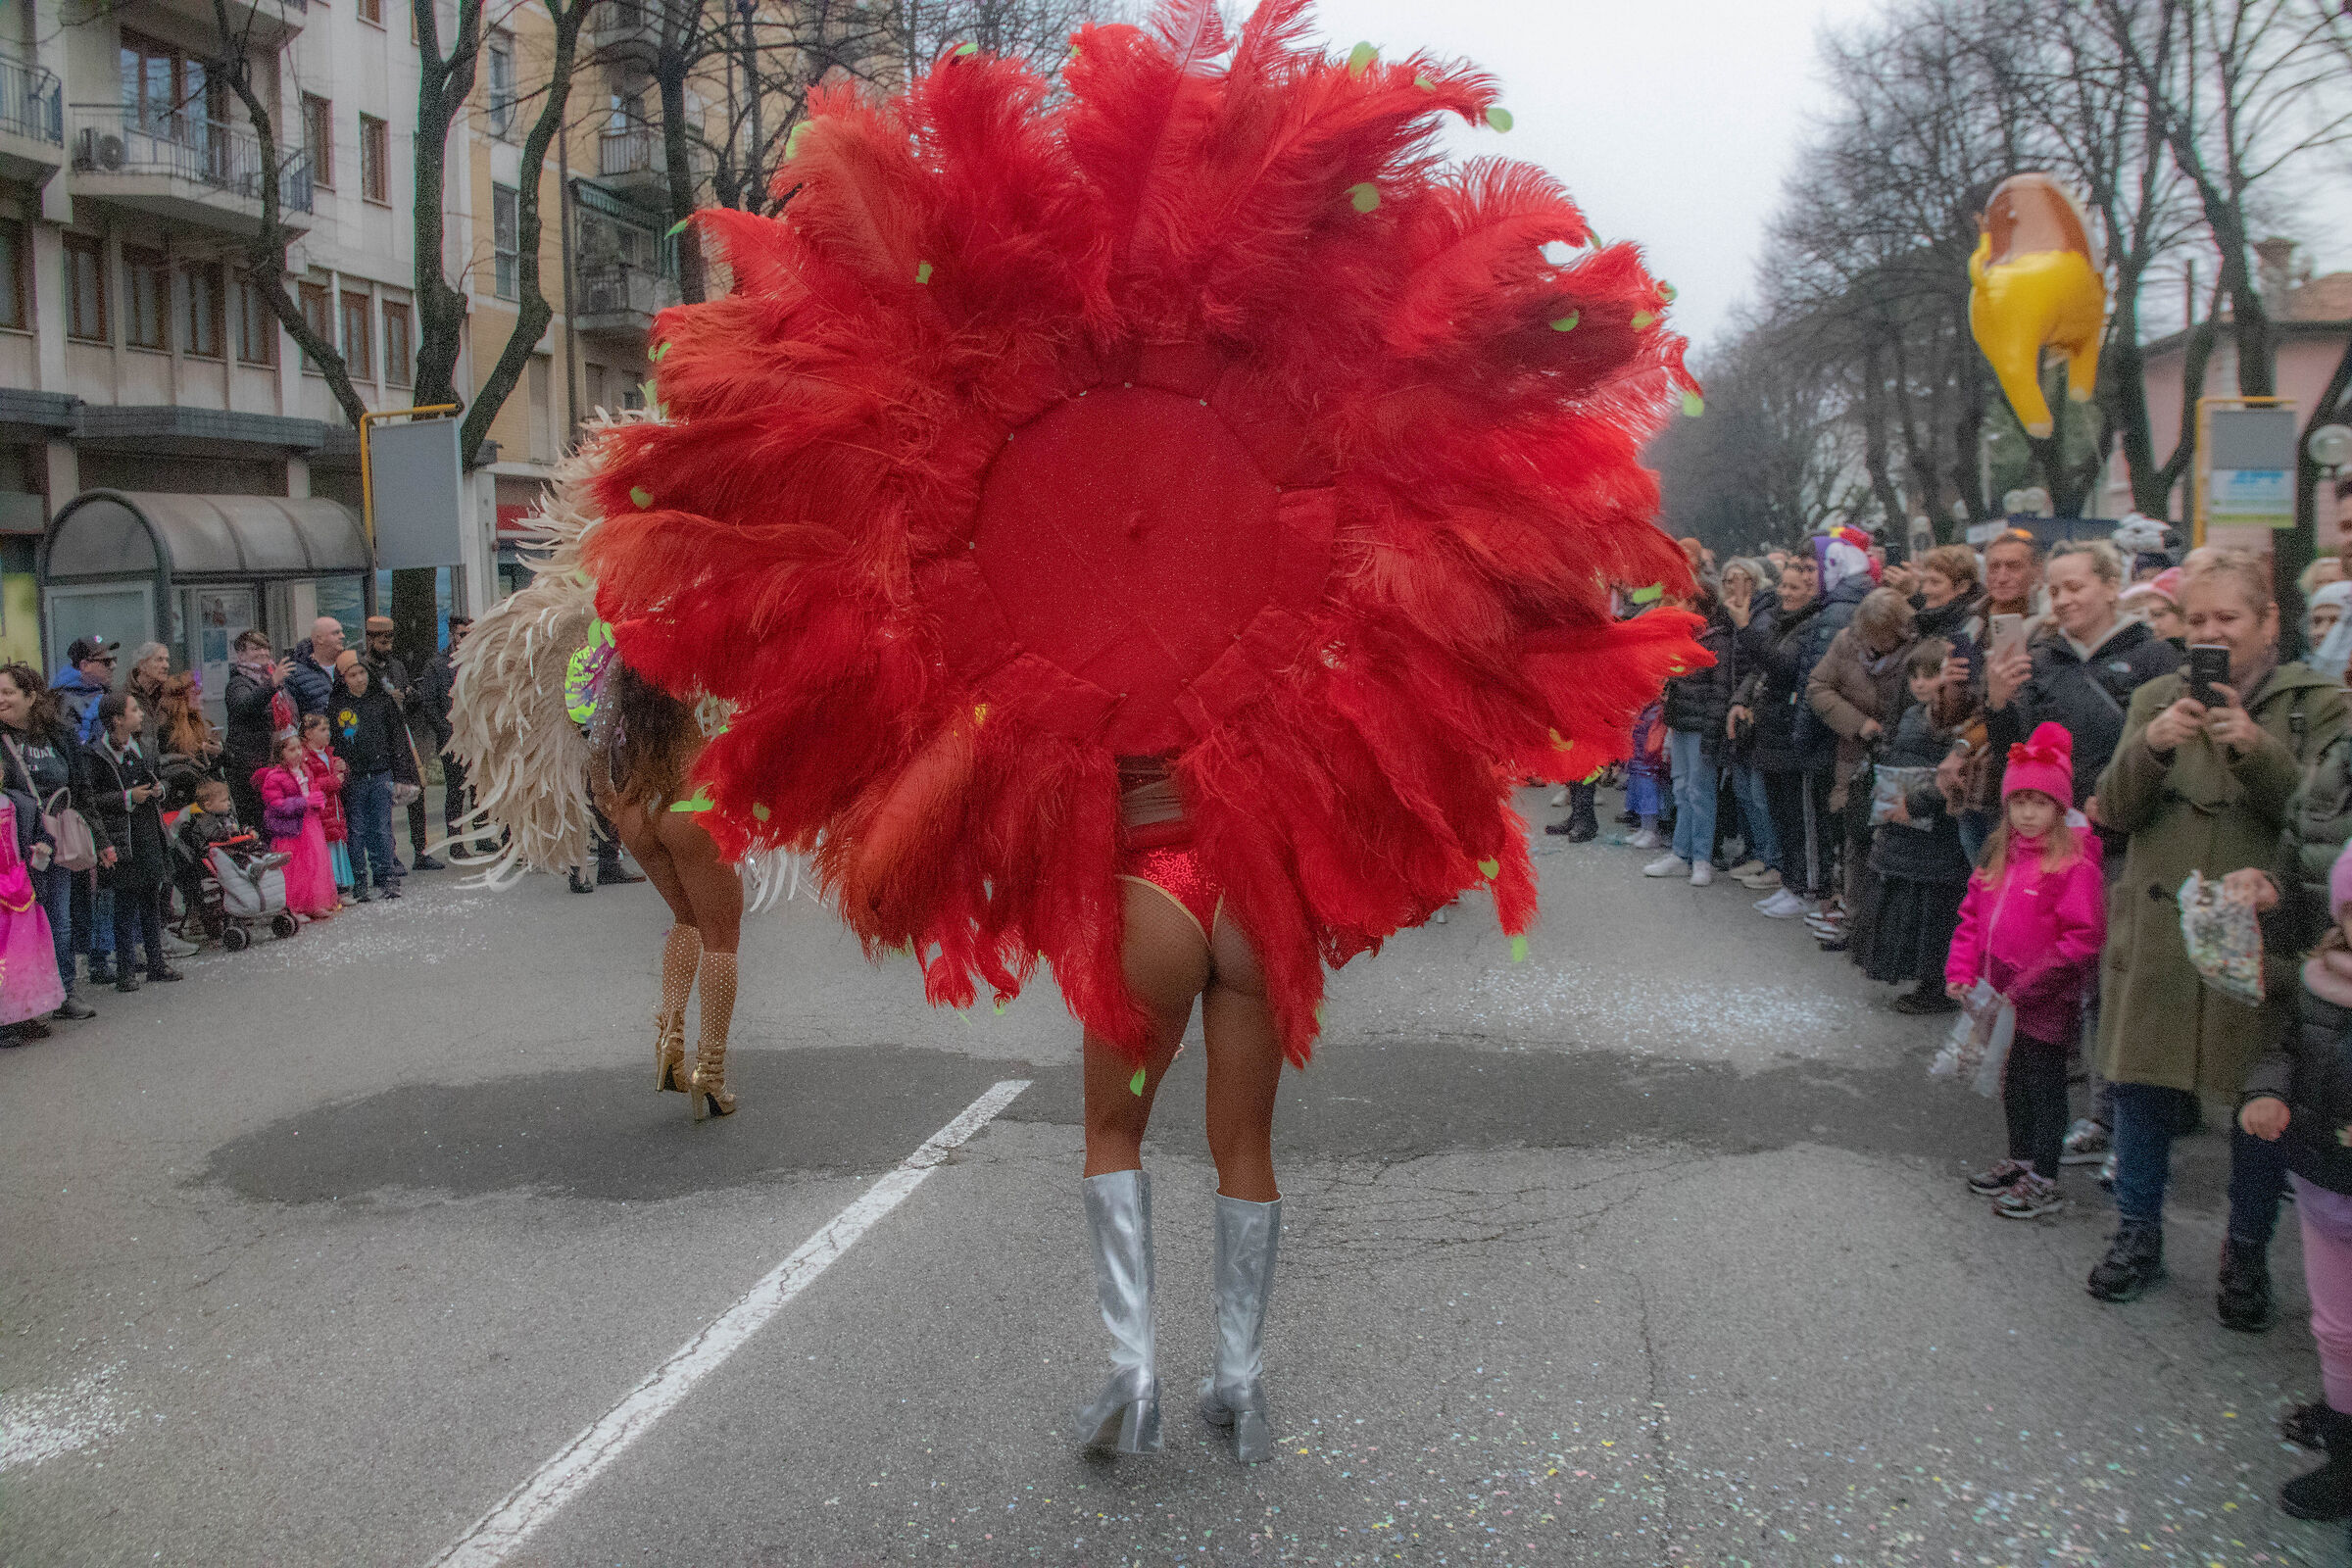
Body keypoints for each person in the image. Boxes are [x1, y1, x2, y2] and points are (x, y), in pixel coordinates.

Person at [557, 13, 1713, 1467]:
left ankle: (1131, 1372)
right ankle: (1237, 1371)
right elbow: (1408, 647)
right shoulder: (1288, 596)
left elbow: (972, 711)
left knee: (1113, 1136)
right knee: (1248, 1146)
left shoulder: (1028, 610)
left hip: (1150, 893)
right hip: (1258, 897)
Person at [2086, 551, 2349, 1316]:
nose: (2210, 634)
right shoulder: (2159, 696)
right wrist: (2155, 743)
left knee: (2255, 1096)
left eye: (2228, 619)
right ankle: (2136, 1232)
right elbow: (2115, 807)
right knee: (2139, 1084)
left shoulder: (2319, 703)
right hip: (2163, 924)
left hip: (2258, 927)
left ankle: (2245, 1252)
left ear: (2269, 623)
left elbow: (2326, 821)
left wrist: (2256, 749)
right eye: (2196, 620)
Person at [1946, 723, 2106, 1217]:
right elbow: (1973, 915)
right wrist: (1962, 969)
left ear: (2060, 807)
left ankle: (2045, 1175)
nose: (2028, 813)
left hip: (2043, 998)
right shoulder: (2002, 853)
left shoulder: (2074, 864)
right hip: (2000, 993)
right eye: (2019, 802)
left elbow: (2082, 937)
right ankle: (2020, 1158)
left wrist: (2034, 982)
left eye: (2040, 803)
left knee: (2044, 1084)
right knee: (2012, 1080)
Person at [2239, 839, 2352, 1521]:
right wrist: (2268, 1091)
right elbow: (2286, 1048)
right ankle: (2344, 1462)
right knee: (2336, 1331)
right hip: (2322, 1182)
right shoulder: (2321, 979)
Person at [1854, 639, 1972, 1009]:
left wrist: (1921, 801)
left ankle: (1935, 985)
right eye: (1915, 677)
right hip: (1902, 819)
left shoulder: (1957, 727)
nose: (1920, 684)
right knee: (1907, 902)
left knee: (1933, 909)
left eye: (1930, 676)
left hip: (1934, 828)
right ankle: (1916, 976)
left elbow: (1947, 779)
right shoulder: (1908, 715)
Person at [1805, 587, 1920, 948]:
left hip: (1898, 760)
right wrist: (1858, 723)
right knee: (1854, 839)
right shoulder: (1846, 642)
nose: (1867, 643)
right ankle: (1854, 924)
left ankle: (1881, 930)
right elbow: (1818, 687)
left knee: (1887, 843)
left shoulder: (1915, 655)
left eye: (1877, 637)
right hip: (1853, 758)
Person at [1731, 551, 1831, 917]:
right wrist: (1742, 698)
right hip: (1772, 731)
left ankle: (1807, 888)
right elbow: (1760, 672)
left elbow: (1783, 667)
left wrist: (1745, 629)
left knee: (1802, 820)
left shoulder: (1812, 624)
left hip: (1795, 735)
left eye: (1794, 586)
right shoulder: (1782, 621)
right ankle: (1790, 882)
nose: (1785, 594)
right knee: (1782, 816)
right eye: (1783, 586)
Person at [0, 663, 92, 1021]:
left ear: (30, 696)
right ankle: (20, 1005)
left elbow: (81, 789)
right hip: (12, 849)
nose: (1, 700)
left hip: (57, 844)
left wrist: (99, 838)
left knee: (58, 920)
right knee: (17, 928)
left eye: (7, 692)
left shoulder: (57, 734)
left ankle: (63, 993)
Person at [84, 692, 180, 991]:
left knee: (151, 901)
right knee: (124, 906)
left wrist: (158, 790)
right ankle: (125, 970)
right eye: (134, 710)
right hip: (121, 837)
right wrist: (127, 797)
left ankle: (156, 964)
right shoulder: (95, 755)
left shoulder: (142, 747)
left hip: (147, 831)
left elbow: (160, 778)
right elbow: (91, 799)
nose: (140, 714)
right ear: (117, 720)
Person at [1648, 586, 1733, 885]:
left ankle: (1701, 859)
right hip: (1682, 722)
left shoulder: (1717, 640)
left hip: (1701, 727)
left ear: (1696, 604)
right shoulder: (1686, 636)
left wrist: (1712, 732)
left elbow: (1720, 692)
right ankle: (1680, 853)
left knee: (1701, 792)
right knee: (1682, 788)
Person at [329, 653, 416, 902]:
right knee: (356, 830)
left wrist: (402, 773)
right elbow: (334, 740)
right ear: (343, 678)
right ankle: (359, 880)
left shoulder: (382, 701)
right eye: (352, 675)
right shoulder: (336, 705)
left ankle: (386, 875)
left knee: (382, 828)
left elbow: (397, 738)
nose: (359, 679)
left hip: (381, 772)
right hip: (353, 777)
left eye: (362, 673)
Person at [1715, 558, 1780, 882]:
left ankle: (1773, 859)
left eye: (1742, 580)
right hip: (1736, 710)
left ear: (1756, 583)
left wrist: (1743, 699)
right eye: (1728, 580)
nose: (1734, 586)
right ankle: (1757, 851)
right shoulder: (1726, 614)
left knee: (1757, 792)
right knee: (1742, 790)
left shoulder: (1763, 616)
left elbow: (1763, 663)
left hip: (1757, 713)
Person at [362, 614, 443, 871]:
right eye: (382, 643)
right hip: (378, 738)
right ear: (371, 640)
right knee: (384, 797)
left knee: (416, 792)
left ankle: (421, 851)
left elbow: (409, 697)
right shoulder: (363, 668)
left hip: (402, 734)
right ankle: (390, 855)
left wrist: (410, 696)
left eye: (390, 642)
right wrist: (388, 700)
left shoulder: (396, 666)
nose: (387, 647)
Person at [0, 795, 63, 1044]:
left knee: (23, 958)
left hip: (20, 884)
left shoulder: (18, 803)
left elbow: (41, 833)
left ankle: (22, 1015)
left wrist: (42, 846)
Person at [414, 615, 478, 852]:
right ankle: (456, 842)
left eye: (470, 634)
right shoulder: (437, 665)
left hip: (475, 733)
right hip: (450, 735)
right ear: (452, 635)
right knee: (456, 788)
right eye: (463, 635)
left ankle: (481, 835)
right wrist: (445, 729)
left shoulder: (476, 659)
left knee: (478, 786)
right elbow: (428, 701)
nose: (466, 639)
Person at [258, 731, 337, 920]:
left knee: (314, 863)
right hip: (291, 830)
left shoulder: (305, 770)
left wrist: (319, 801)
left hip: (310, 825)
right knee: (295, 869)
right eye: (291, 749)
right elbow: (276, 805)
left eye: (299, 748)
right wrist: (305, 802)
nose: (298, 753)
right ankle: (294, 906)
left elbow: (312, 791)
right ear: (280, 753)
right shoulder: (274, 777)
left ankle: (313, 902)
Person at [223, 630, 290, 829]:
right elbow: (244, 708)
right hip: (246, 766)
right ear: (241, 655)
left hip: (267, 761)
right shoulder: (238, 682)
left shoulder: (270, 678)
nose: (262, 652)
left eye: (265, 647)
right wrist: (271, 685)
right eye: (255, 648)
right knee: (254, 822)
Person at [301, 711, 353, 898]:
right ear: (308, 733)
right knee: (327, 849)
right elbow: (309, 785)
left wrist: (342, 770)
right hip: (322, 813)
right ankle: (332, 887)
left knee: (338, 844)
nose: (327, 733)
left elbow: (339, 778)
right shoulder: (306, 758)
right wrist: (333, 781)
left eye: (328, 729)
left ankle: (342, 885)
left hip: (335, 811)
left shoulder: (328, 754)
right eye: (322, 729)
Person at [282, 616, 344, 720]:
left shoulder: (351, 667)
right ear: (320, 639)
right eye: (336, 633)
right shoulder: (295, 674)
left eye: (341, 632)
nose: (342, 636)